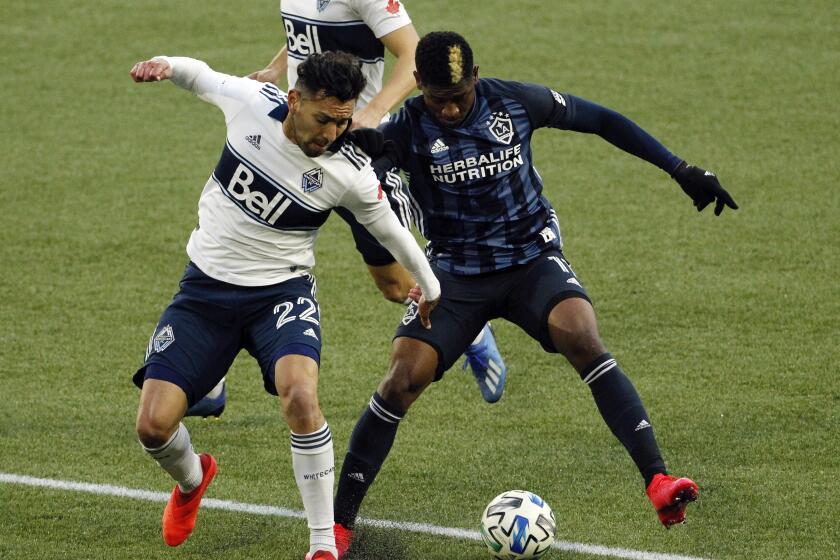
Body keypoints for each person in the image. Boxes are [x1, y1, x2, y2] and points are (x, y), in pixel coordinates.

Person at [330, 31, 739, 556]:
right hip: (455, 275)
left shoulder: (515, 102)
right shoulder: (403, 129)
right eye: (437, 99)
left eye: (459, 95)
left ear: (475, 77)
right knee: (400, 381)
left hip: (532, 261)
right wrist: (372, 162)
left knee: (582, 335)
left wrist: (680, 169)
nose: (450, 109)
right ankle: (338, 526)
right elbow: (370, 200)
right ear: (420, 89)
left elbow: (602, 120)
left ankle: (659, 481)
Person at [129, 51, 440, 560]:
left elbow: (393, 233)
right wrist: (165, 63)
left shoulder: (346, 170)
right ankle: (192, 480)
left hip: (281, 294)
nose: (331, 135)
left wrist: (431, 288)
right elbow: (201, 77)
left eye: (342, 123)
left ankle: (322, 545)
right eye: (323, 120)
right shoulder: (252, 104)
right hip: (204, 293)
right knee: (153, 427)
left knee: (299, 395)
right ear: (294, 100)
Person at [187, 0, 507, 418]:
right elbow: (309, 36)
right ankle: (208, 383)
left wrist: (372, 113)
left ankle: (469, 326)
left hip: (352, 156)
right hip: (298, 137)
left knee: (394, 286)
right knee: (239, 240)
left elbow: (412, 52)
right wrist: (274, 68)